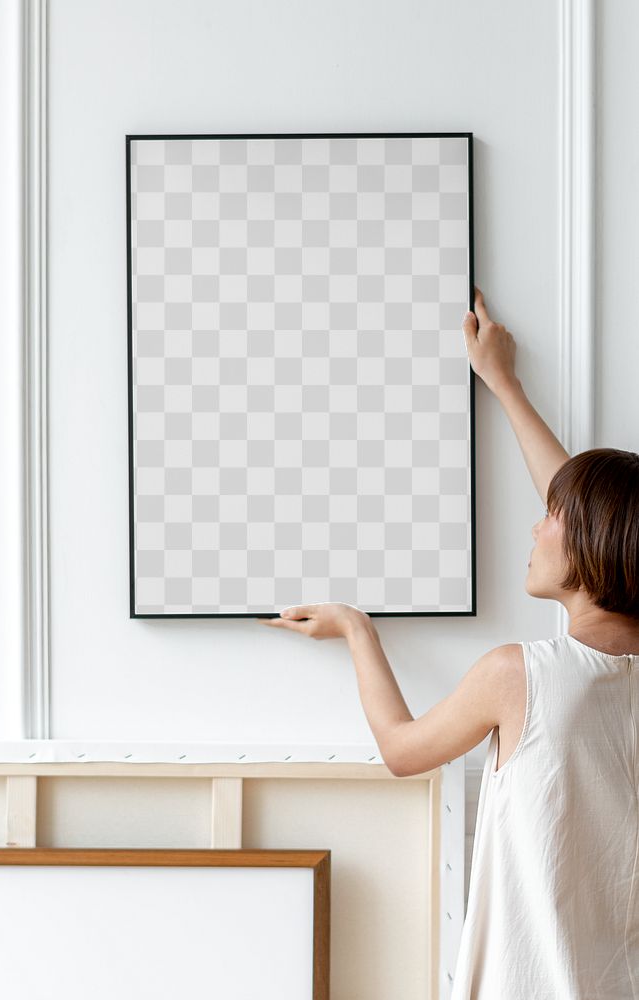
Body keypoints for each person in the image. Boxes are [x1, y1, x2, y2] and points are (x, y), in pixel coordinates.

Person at [258, 286, 639, 998]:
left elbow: (402, 751)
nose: (534, 527)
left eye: (549, 519)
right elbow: (590, 509)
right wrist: (502, 382)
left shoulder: (519, 675)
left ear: (587, 539)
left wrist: (356, 629)